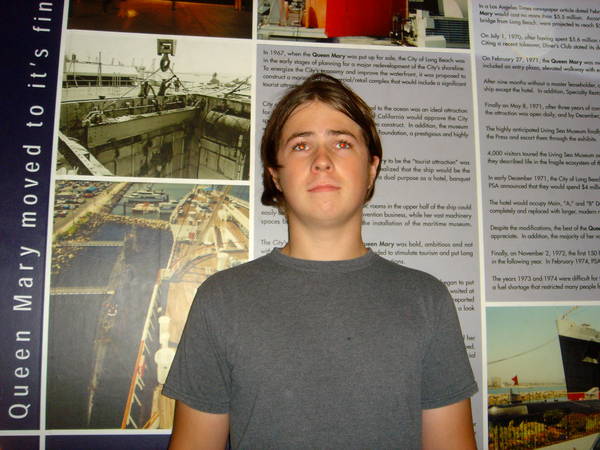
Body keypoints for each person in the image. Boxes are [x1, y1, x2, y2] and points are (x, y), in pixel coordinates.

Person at [163, 73, 477, 449]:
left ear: (371, 168)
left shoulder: (427, 300)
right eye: (301, 146)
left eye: (342, 143)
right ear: (275, 175)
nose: (322, 161)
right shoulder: (220, 300)